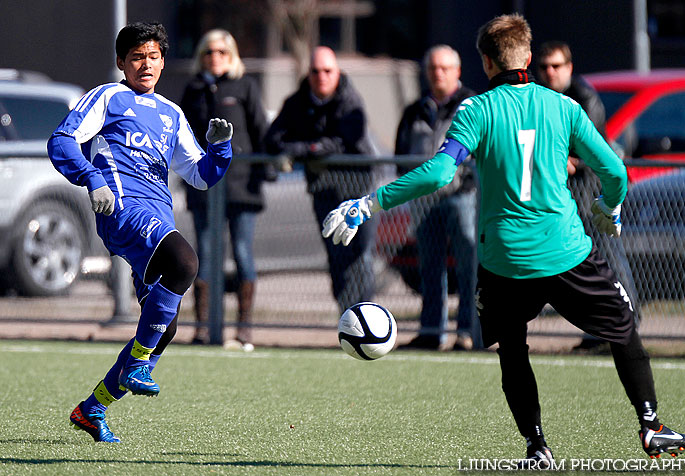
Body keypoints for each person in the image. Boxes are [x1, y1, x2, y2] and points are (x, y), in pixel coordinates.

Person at [321, 14, 685, 462]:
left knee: (513, 349)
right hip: (567, 251)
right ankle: (650, 427)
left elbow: (439, 172)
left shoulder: (475, 110)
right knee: (624, 330)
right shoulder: (564, 107)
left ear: (485, 63)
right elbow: (614, 171)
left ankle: (538, 447)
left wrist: (368, 203)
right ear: (530, 59)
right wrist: (610, 207)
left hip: (503, 259)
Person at [47, 22, 233, 443]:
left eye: (152, 57)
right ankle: (135, 365)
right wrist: (91, 178)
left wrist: (221, 148)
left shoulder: (172, 114)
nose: (144, 64)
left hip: (157, 217)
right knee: (186, 262)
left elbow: (200, 175)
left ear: (163, 62)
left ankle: (92, 408)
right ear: (121, 63)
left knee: (162, 329)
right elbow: (61, 141)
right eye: (135, 57)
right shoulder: (109, 96)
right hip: (120, 207)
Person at [537, 41, 640, 352]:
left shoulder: (584, 98)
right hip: (565, 197)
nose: (549, 72)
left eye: (556, 66)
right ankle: (599, 329)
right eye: (544, 67)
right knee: (586, 266)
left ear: (569, 67)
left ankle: (627, 324)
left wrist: (565, 160)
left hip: (593, 195)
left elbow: (590, 152)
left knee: (609, 260)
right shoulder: (542, 98)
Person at [180, 29, 274, 349]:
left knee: (243, 253)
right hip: (204, 187)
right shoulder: (193, 90)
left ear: (231, 54)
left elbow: (261, 129)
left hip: (241, 187)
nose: (215, 57)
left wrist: (267, 169)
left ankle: (244, 328)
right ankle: (204, 328)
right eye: (208, 52)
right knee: (204, 255)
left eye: (221, 51)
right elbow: (182, 138)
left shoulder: (245, 86)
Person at [264, 46, 376, 312]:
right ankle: (348, 317)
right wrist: (296, 150)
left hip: (356, 190)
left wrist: (302, 150)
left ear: (337, 72)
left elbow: (341, 142)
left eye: (327, 71)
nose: (321, 76)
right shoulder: (298, 101)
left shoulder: (349, 100)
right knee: (336, 255)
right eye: (315, 71)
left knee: (359, 255)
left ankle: (366, 315)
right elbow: (273, 138)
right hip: (324, 190)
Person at [394, 45, 480, 351]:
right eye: (433, 68)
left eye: (444, 68)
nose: (438, 74)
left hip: (461, 196)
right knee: (429, 266)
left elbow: (482, 150)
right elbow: (401, 153)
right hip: (424, 199)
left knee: (469, 264)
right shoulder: (416, 109)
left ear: (457, 71)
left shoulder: (472, 105)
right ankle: (431, 332)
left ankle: (469, 332)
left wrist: (467, 184)